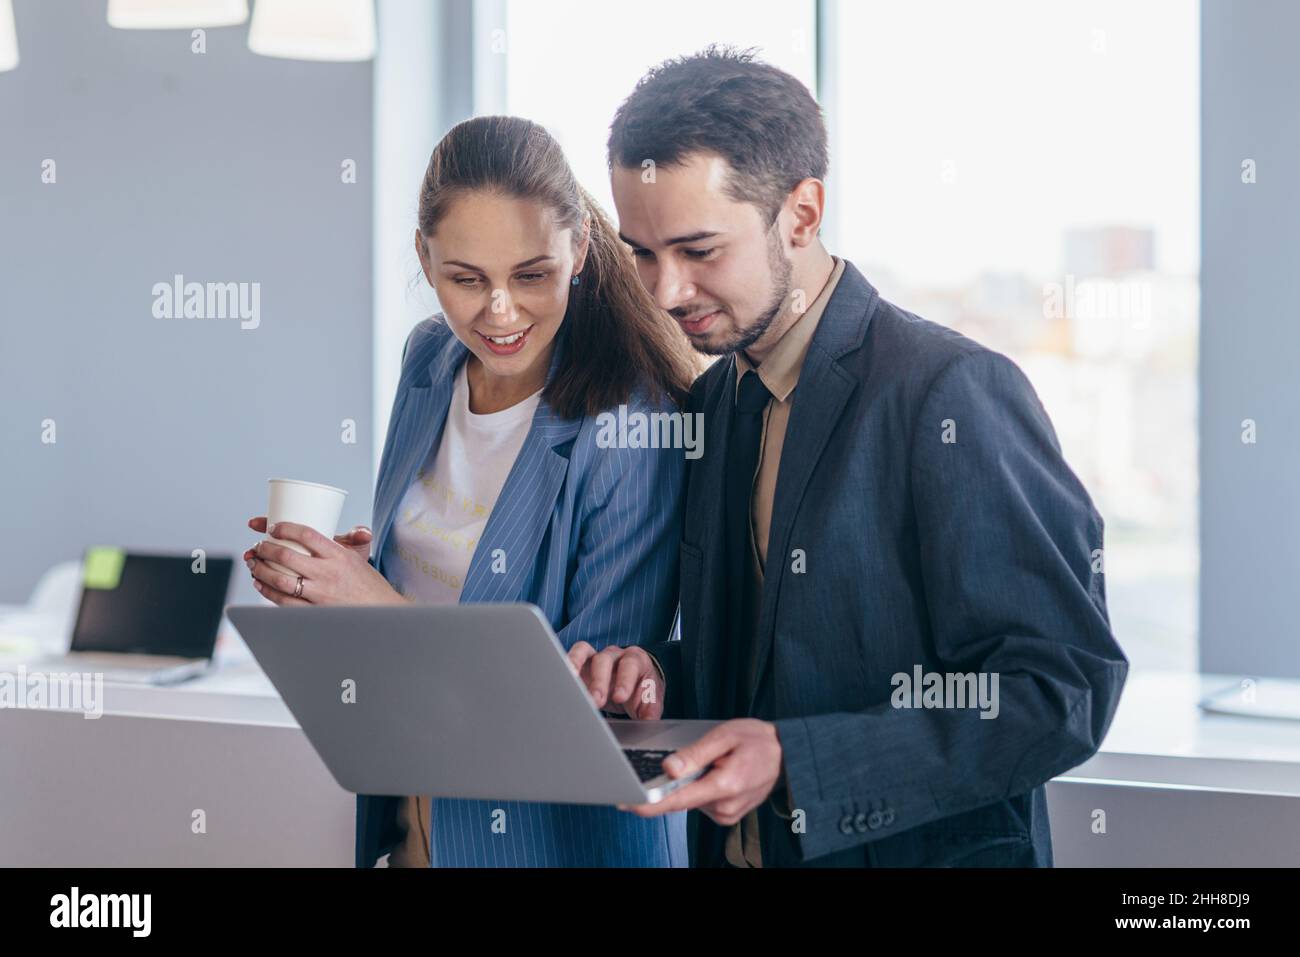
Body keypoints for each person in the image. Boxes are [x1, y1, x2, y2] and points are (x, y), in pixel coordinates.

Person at [572, 47, 1129, 867]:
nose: (665, 293)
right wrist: (654, 674)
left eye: (698, 250)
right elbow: (776, 664)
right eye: (643, 253)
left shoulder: (950, 393)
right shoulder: (720, 404)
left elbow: (1064, 689)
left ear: (801, 214)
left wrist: (802, 761)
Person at [245, 114, 697, 867]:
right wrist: (338, 580)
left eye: (531, 274)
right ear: (425, 259)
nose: (499, 312)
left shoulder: (631, 426)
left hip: (546, 841)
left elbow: (589, 713)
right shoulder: (429, 362)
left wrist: (371, 602)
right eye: (465, 278)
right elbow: (431, 584)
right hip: (414, 816)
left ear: (580, 246)